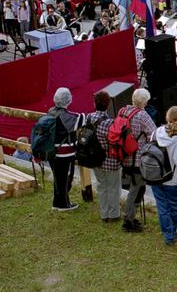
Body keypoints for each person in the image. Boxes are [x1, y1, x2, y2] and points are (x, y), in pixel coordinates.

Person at [118, 89, 157, 232]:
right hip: (138, 159)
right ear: (144, 101)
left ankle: (131, 217)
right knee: (137, 190)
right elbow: (154, 134)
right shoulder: (142, 115)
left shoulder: (123, 111)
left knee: (134, 188)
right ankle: (128, 221)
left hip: (125, 156)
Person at [149, 106, 177, 245]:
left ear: (167, 117)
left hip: (155, 175)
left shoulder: (156, 132)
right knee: (176, 206)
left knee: (162, 206)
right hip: (172, 179)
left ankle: (167, 232)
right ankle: (173, 232)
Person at [47, 87, 86, 212]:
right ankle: (63, 204)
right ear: (68, 100)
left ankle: (57, 202)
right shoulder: (67, 116)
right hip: (64, 153)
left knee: (58, 178)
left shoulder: (50, 111)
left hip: (51, 151)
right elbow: (82, 119)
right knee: (65, 178)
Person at [85, 91, 119, 222]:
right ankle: (114, 214)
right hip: (110, 159)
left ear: (94, 103)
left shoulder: (89, 118)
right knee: (113, 187)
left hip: (94, 158)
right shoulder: (110, 123)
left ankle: (104, 214)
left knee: (101, 186)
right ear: (108, 105)